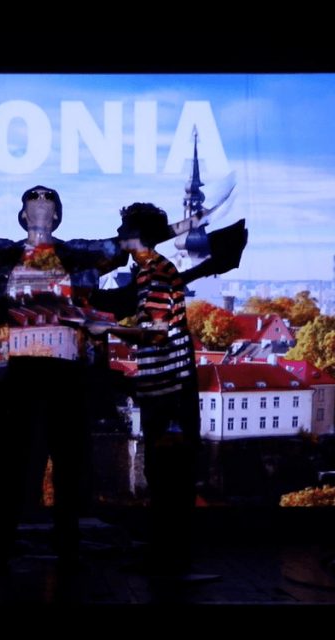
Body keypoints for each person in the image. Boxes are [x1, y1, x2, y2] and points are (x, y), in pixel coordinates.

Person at [0, 185, 231, 573]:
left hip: (64, 378)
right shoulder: (3, 254)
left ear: (57, 215)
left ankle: (62, 549)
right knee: (14, 466)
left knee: (66, 467)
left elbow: (143, 239)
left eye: (46, 202)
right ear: (23, 215)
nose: (39, 204)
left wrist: (197, 223)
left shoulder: (78, 255)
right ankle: (10, 548)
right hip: (21, 376)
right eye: (33, 201)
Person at [91, 203, 246, 576]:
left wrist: (106, 329)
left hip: (170, 392)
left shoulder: (156, 274)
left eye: (124, 229)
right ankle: (168, 555)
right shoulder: (152, 271)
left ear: (138, 236)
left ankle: (170, 558)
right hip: (166, 387)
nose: (118, 234)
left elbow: (157, 333)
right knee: (167, 474)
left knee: (167, 475)